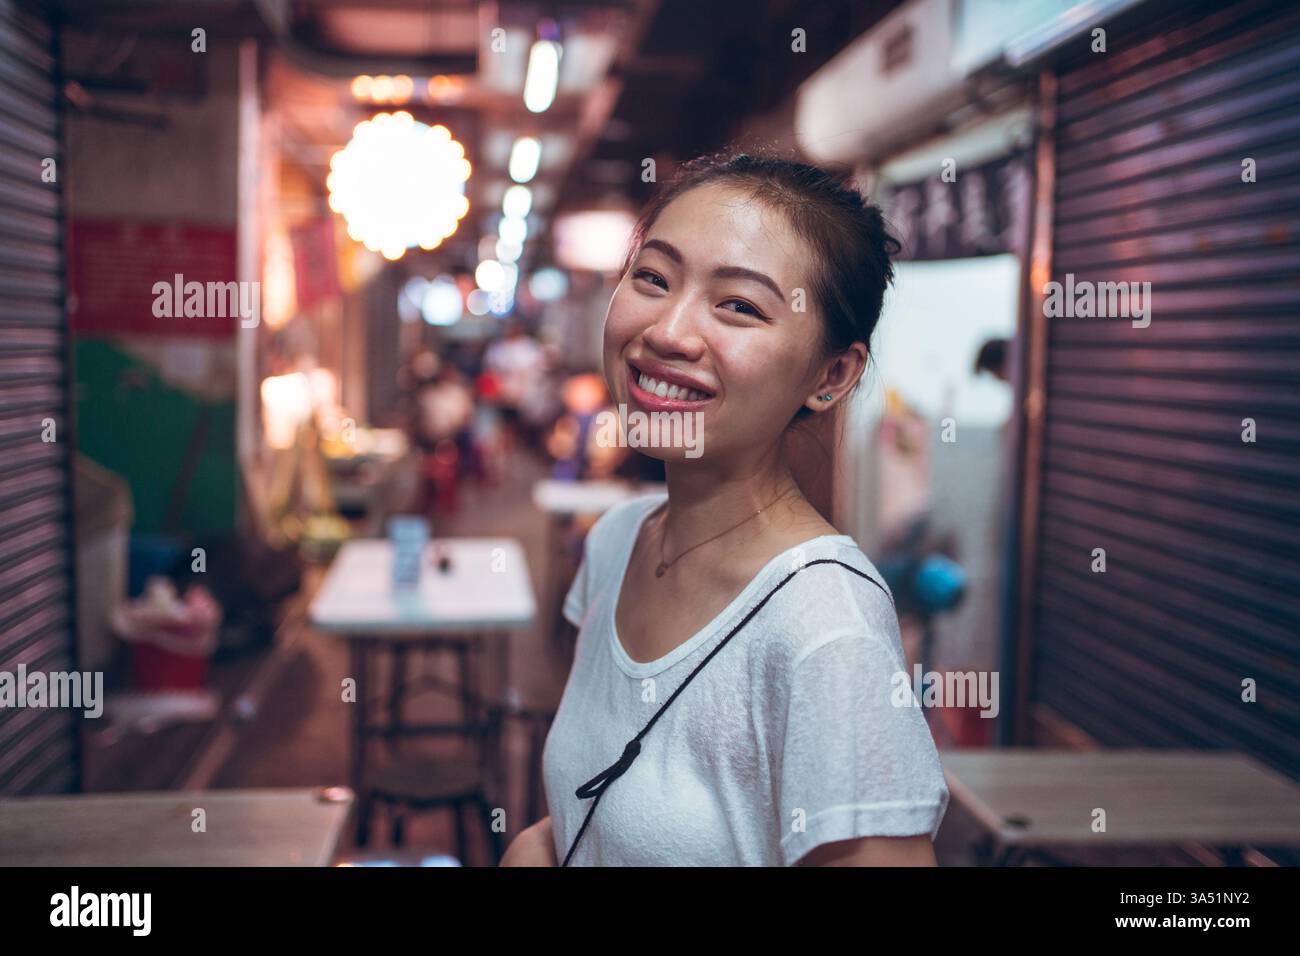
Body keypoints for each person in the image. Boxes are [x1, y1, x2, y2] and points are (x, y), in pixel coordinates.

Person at [502, 153, 949, 867]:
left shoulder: (825, 626)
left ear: (833, 376)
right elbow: (589, 818)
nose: (669, 333)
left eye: (739, 305)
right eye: (653, 278)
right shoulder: (618, 541)